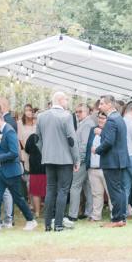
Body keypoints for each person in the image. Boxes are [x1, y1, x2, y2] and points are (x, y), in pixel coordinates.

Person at [0, 108, 37, 232]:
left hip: (11, 172)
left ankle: (31, 220)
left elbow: (14, 153)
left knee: (18, 198)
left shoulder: (9, 131)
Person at [37, 90, 78, 231]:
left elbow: (38, 140)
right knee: (62, 191)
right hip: (65, 159)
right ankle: (59, 224)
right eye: (66, 99)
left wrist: (45, 152)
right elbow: (72, 140)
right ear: (60, 100)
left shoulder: (41, 116)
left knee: (50, 190)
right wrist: (76, 159)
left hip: (48, 158)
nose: (67, 102)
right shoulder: (67, 116)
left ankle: (48, 224)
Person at [94, 95, 129, 226]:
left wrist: (96, 150)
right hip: (119, 160)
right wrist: (103, 133)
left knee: (114, 191)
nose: (99, 106)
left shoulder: (111, 120)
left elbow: (109, 142)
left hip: (112, 161)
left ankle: (117, 219)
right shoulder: (119, 118)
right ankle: (122, 217)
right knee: (120, 190)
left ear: (109, 105)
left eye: (102, 103)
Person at [67, 103, 94, 221]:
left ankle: (72, 214)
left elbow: (84, 145)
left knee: (75, 186)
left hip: (82, 160)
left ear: (87, 112)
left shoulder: (87, 124)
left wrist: (79, 161)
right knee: (87, 186)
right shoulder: (84, 123)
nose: (77, 114)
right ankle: (89, 211)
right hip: (86, 160)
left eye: (80, 111)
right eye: (76, 112)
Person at [84, 111, 109, 221]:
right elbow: (88, 147)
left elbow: (110, 145)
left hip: (106, 167)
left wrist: (102, 133)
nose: (100, 120)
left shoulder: (110, 131)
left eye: (103, 118)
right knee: (96, 193)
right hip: (93, 167)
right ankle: (96, 216)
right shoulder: (92, 130)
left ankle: (115, 215)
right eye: (99, 117)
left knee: (110, 193)